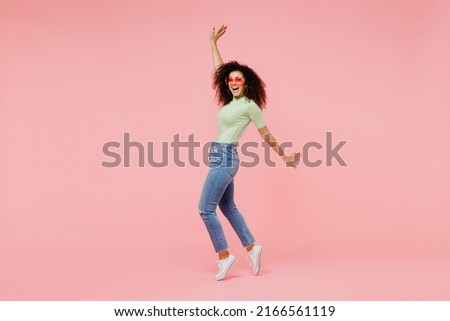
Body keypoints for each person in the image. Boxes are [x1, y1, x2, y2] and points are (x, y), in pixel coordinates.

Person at [198, 25, 301, 281]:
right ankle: (253, 248)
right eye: (230, 79)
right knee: (228, 206)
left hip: (226, 158)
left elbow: (266, 134)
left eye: (238, 79)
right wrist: (213, 44)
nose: (233, 82)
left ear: (246, 83)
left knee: (205, 209)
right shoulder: (229, 102)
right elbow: (219, 70)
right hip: (220, 156)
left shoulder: (250, 106)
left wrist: (285, 156)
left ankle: (224, 256)